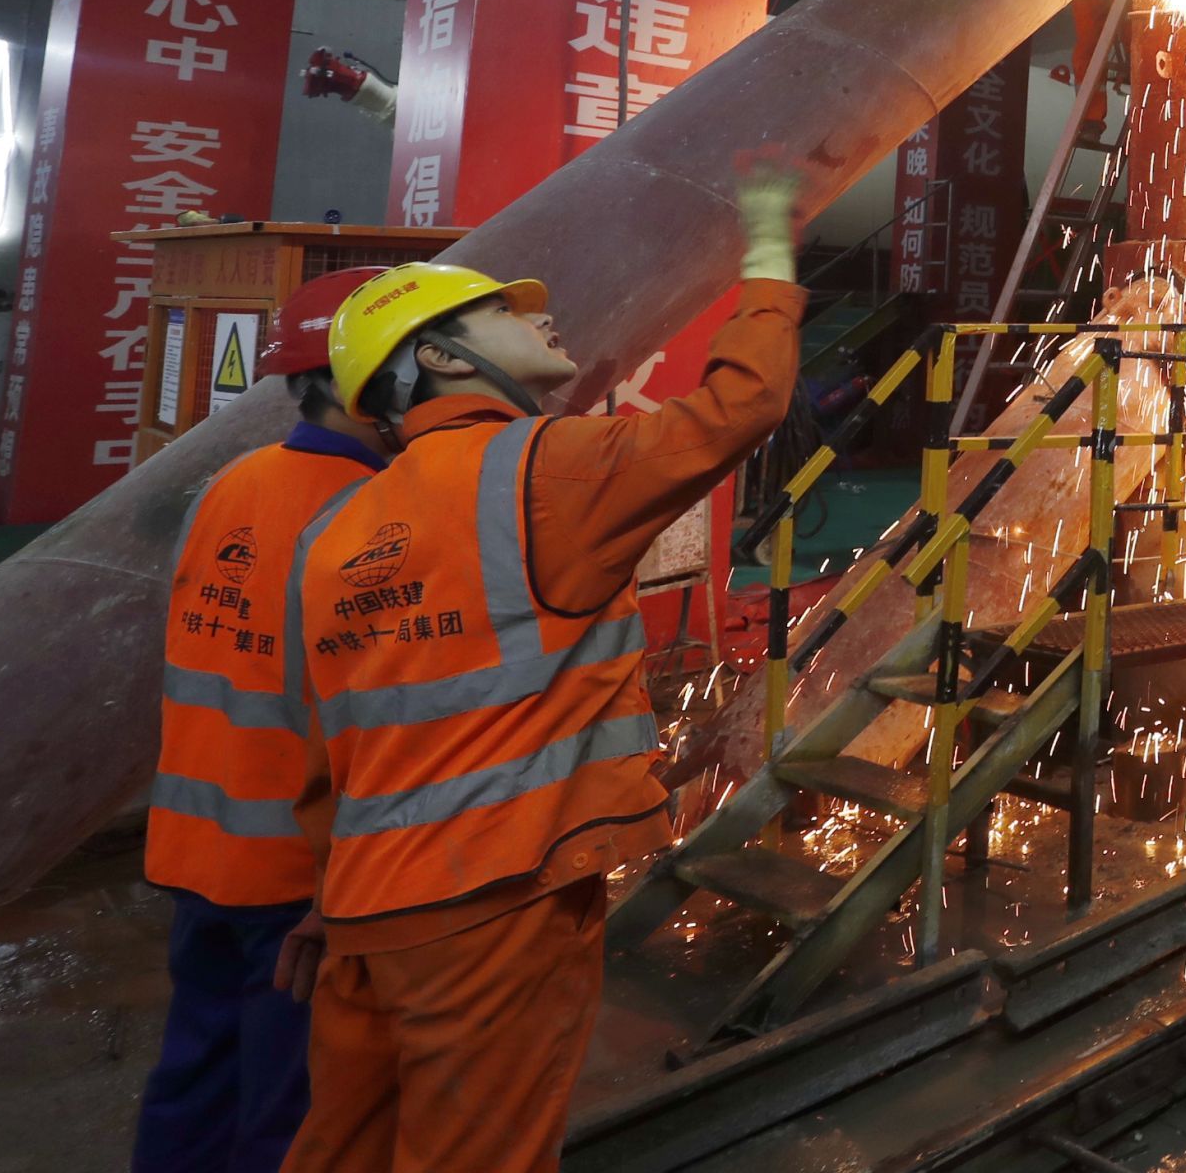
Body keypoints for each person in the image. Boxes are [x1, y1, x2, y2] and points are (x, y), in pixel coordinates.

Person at [277, 163, 804, 1173]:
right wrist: (773, 249)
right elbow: (744, 401)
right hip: (498, 904)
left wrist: (327, 896)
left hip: (363, 914)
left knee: (342, 1149)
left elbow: (329, 752)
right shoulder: (545, 467)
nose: (543, 320)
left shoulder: (335, 530)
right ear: (436, 355)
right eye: (500, 312)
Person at [136, 268, 389, 1173]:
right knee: (292, 1113)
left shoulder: (230, 485)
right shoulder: (373, 516)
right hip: (297, 876)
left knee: (195, 1079)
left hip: (197, 851)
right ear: (375, 384)